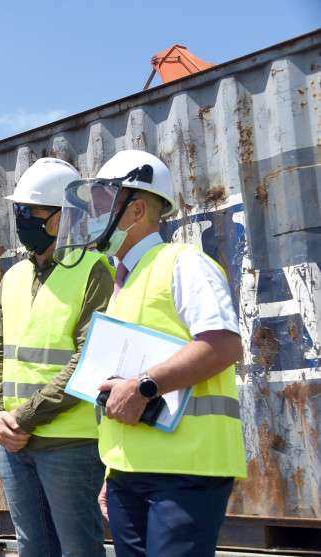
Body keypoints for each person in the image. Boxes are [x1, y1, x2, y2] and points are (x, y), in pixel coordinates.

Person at [54, 149, 247, 557]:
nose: (92, 218)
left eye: (102, 206)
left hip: (187, 470)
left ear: (137, 209)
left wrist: (144, 387)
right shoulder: (122, 280)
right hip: (130, 473)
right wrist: (113, 472)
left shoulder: (184, 263)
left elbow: (224, 345)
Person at [0, 158, 113, 557]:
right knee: (32, 547)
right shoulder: (13, 277)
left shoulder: (96, 271)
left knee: (78, 549)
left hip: (70, 444)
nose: (20, 219)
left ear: (60, 218)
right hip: (14, 442)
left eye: (30, 212)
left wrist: (23, 417)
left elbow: (90, 359)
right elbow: (0, 351)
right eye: (18, 210)